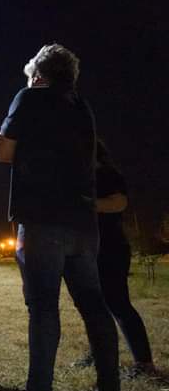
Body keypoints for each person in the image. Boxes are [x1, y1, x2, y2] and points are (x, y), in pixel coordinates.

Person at [0, 44, 125, 391]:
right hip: (83, 223)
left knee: (44, 308)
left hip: (41, 219)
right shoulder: (83, 107)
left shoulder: (29, 97)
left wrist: (1, 144)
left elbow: (6, 153)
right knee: (94, 307)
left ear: (38, 75)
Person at [73, 140, 155, 377]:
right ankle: (100, 353)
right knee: (93, 308)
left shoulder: (107, 174)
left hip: (111, 248)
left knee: (118, 304)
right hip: (87, 250)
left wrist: (88, 205)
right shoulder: (82, 178)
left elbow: (119, 203)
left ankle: (144, 362)